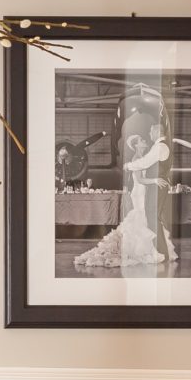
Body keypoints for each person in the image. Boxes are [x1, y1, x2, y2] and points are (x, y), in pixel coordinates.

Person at [74, 89, 174, 272]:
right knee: (148, 219)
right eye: (142, 140)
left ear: (156, 131)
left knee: (151, 219)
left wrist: (130, 167)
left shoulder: (157, 148)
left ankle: (157, 251)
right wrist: (139, 172)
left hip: (146, 188)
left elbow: (144, 164)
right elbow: (141, 173)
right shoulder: (149, 152)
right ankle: (156, 251)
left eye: (150, 132)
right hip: (141, 189)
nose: (147, 137)